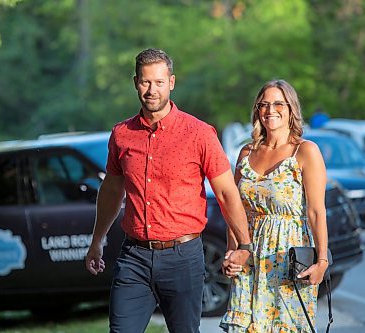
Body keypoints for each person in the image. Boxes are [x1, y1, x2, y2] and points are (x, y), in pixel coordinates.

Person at [85, 48, 251, 333]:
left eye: (159, 82)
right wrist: (97, 240)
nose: (152, 90)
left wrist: (244, 245)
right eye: (145, 82)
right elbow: (112, 191)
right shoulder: (122, 135)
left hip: (183, 257)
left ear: (171, 82)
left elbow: (226, 193)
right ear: (135, 82)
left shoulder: (199, 133)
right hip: (133, 257)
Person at [220, 79, 329, 332]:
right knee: (243, 326)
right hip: (249, 257)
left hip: (287, 258)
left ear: (291, 109)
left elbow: (316, 211)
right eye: (264, 104)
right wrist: (231, 251)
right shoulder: (246, 153)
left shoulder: (305, 151)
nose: (271, 110)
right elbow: (235, 209)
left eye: (279, 103)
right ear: (257, 110)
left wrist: (322, 261)